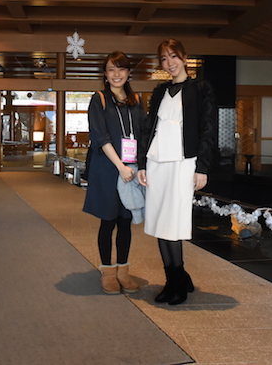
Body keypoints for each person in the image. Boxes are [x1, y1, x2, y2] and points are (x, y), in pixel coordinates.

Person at [138, 38, 216, 305]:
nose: (169, 63)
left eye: (173, 56)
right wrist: (141, 163)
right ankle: (174, 279)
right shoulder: (159, 91)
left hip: (184, 162)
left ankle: (178, 280)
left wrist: (202, 167)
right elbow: (149, 128)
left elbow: (208, 128)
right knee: (160, 220)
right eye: (164, 58)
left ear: (184, 57)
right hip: (157, 161)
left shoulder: (201, 88)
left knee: (174, 221)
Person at [83, 51, 145, 294]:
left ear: (128, 72)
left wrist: (141, 167)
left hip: (132, 169)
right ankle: (108, 272)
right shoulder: (99, 99)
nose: (117, 74)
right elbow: (100, 137)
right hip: (108, 169)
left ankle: (123, 272)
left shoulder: (137, 100)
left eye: (121, 69)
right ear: (105, 74)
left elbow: (143, 135)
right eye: (111, 69)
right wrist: (120, 166)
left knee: (125, 221)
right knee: (108, 221)